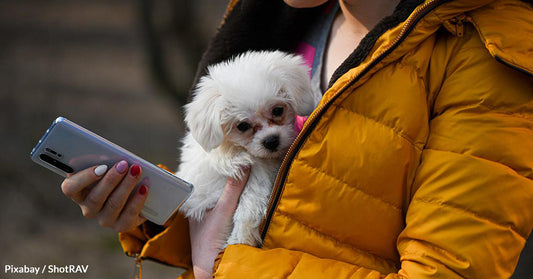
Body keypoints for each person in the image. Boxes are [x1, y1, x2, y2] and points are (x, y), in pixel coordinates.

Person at [60, 0, 533, 278]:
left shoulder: (481, 56)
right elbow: (260, 207)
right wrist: (151, 212)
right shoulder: (281, 23)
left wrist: (228, 267)